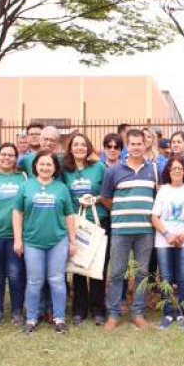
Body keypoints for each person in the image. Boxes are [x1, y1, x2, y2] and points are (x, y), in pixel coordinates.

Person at [13, 149, 76, 333]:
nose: (45, 167)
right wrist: (18, 239)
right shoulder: (26, 186)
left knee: (56, 280)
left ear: (55, 167)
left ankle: (59, 318)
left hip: (58, 241)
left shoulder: (61, 188)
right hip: (32, 241)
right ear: (35, 166)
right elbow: (17, 213)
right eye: (42, 164)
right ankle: (31, 318)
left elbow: (69, 215)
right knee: (34, 281)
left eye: (49, 164)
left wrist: (72, 240)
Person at [100, 129, 157, 330]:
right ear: (127, 145)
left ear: (145, 145)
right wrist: (122, 211)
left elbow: (156, 198)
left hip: (145, 231)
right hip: (121, 230)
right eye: (132, 144)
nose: (136, 147)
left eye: (139, 143)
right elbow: (106, 198)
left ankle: (138, 313)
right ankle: (114, 314)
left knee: (142, 274)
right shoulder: (113, 171)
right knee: (116, 272)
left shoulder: (153, 170)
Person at [61, 132, 108, 325]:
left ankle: (98, 309)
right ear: (70, 148)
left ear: (89, 148)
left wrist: (95, 199)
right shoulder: (64, 170)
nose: (79, 147)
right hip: (75, 223)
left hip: (98, 221)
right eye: (76, 144)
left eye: (83, 144)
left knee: (97, 266)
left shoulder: (99, 168)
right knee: (78, 265)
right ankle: (79, 309)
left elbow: (107, 192)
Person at [151, 156, 184, 329]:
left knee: (183, 277)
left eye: (180, 168)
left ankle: (181, 313)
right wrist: (167, 234)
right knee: (166, 277)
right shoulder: (163, 190)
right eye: (173, 168)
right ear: (168, 171)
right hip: (164, 241)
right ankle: (167, 314)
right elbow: (154, 217)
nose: (177, 171)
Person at [0, 143, 27, 325]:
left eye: (11, 155)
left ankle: (17, 310)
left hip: (16, 235)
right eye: (3, 154)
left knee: (16, 272)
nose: (7, 158)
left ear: (16, 158)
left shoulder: (23, 178)